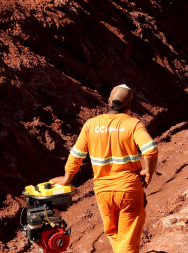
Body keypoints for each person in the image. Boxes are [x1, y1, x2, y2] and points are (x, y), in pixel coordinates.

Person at [52, 85, 158, 253]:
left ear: (108, 102)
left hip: (103, 192)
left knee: (114, 233)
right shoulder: (132, 124)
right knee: (128, 238)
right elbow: (150, 150)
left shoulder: (91, 125)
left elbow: (76, 155)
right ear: (129, 105)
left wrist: (66, 179)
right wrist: (149, 171)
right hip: (128, 190)